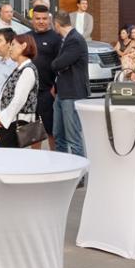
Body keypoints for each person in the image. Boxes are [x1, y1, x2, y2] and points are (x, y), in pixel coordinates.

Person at [0, 32, 41, 145]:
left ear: (23, 46)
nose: (10, 48)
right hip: (9, 123)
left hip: (17, 124)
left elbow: (18, 100)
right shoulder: (19, 69)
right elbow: (4, 94)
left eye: (13, 44)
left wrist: (1, 118)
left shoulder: (28, 70)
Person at [50, 10, 91, 162]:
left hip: (72, 94)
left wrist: (58, 64)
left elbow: (58, 64)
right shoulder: (68, 39)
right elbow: (61, 64)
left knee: (73, 138)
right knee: (58, 135)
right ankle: (62, 167)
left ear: (56, 24)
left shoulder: (75, 40)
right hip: (62, 93)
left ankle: (79, 171)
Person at [28, 2, 60, 148]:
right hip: (30, 92)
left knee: (51, 131)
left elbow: (62, 65)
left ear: (49, 20)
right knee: (34, 132)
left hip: (48, 92)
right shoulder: (27, 37)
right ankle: (35, 160)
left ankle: (55, 160)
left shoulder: (56, 38)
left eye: (44, 18)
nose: (41, 21)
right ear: (32, 20)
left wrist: (55, 88)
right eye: (38, 18)